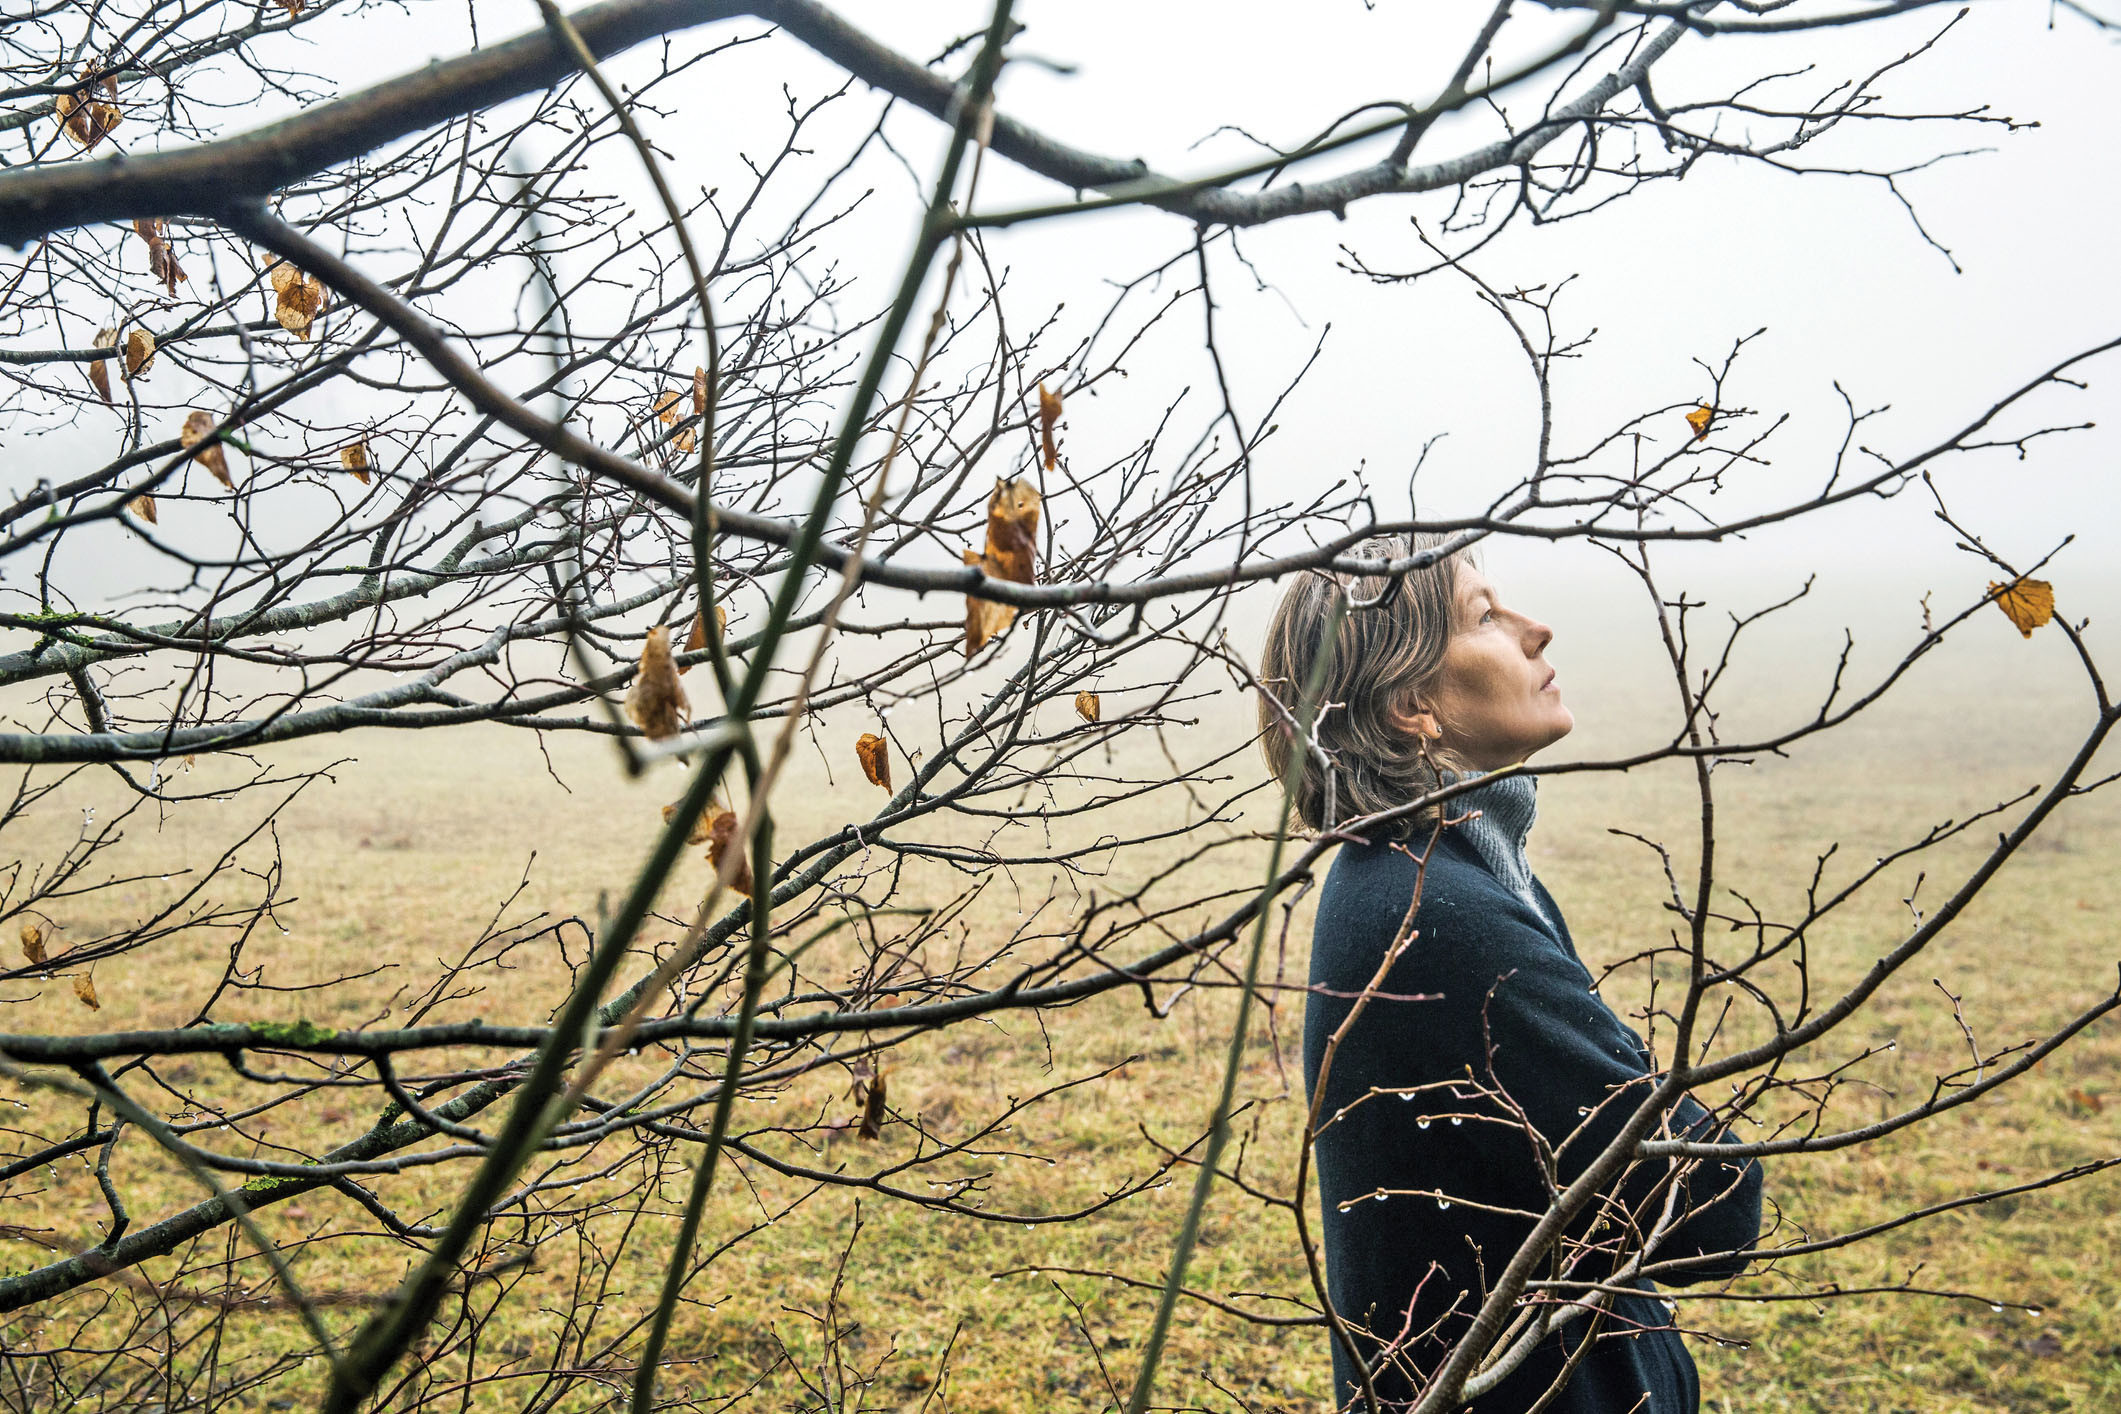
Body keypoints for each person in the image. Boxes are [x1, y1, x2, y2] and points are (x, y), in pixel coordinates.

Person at [1257, 534, 1764, 1414]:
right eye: (1483, 616)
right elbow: (1710, 1207)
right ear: (1413, 703)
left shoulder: (1434, 869)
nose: (1537, 631)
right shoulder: (1436, 917)